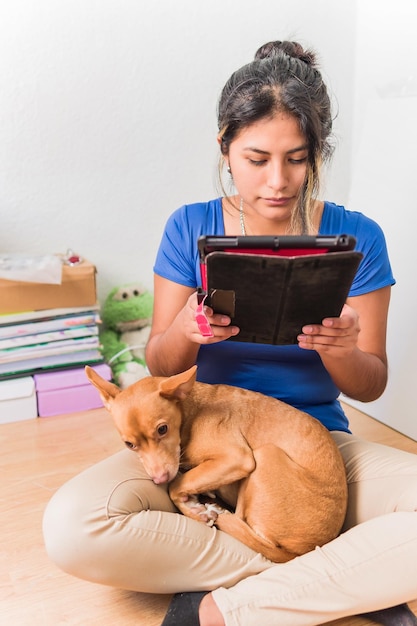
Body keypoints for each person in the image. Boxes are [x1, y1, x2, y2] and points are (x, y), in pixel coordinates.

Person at [43, 41, 417, 626]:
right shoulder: (190, 226)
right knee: (72, 528)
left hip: (314, 445)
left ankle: (227, 607)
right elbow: (159, 365)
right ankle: (338, 572)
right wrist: (188, 331)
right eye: (256, 158)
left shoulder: (357, 235)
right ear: (225, 146)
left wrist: (342, 351)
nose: (277, 181)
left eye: (296, 158)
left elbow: (371, 384)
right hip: (193, 441)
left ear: (316, 152)